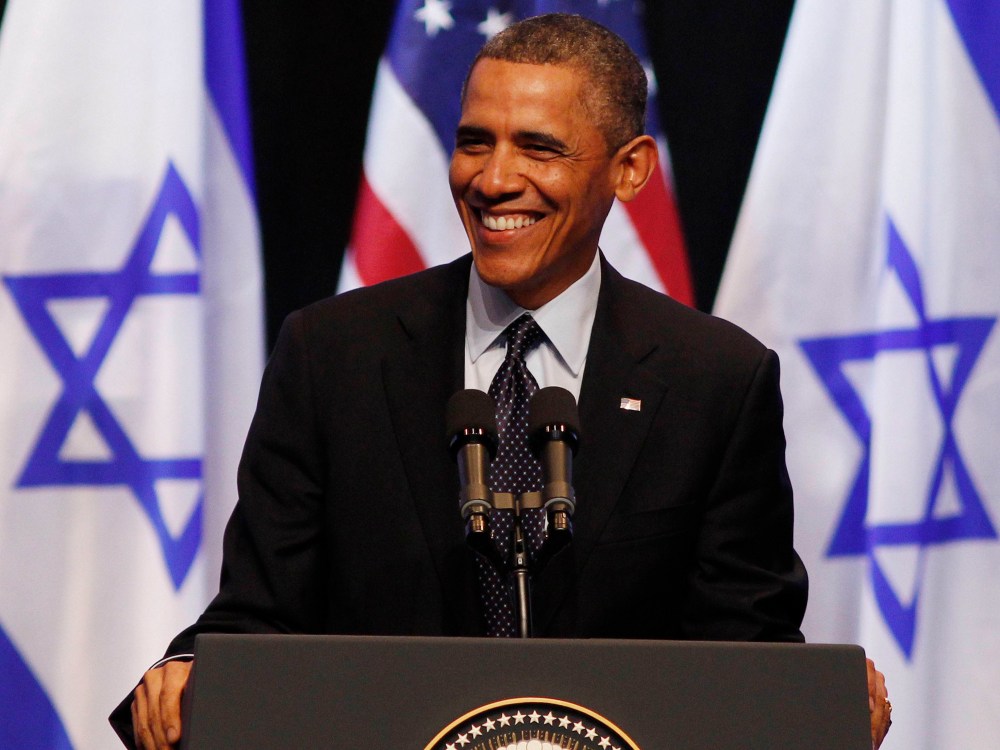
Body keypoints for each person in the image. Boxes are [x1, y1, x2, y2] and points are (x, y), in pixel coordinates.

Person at [112, 14, 891, 749]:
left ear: (629, 170)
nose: (493, 179)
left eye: (539, 148)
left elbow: (745, 648)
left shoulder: (715, 380)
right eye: (474, 141)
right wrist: (188, 672)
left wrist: (817, 695)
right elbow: (260, 617)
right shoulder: (332, 356)